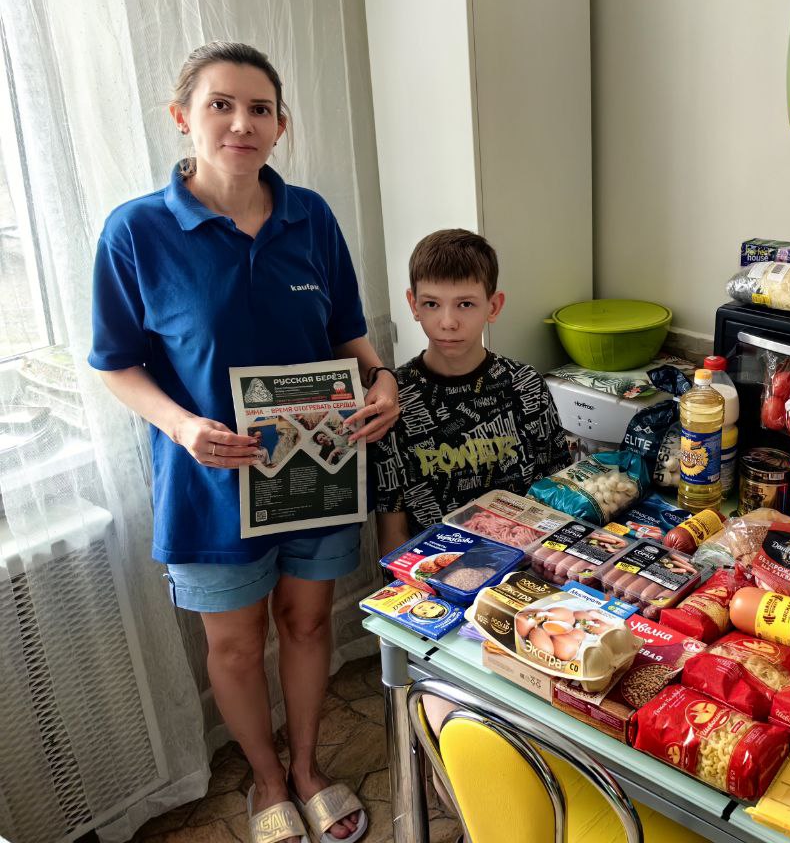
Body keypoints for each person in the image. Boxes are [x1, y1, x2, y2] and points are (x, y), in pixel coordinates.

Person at [90, 42, 397, 843]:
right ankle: (265, 779)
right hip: (208, 482)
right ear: (181, 117)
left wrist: (381, 379)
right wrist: (183, 425)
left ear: (280, 125)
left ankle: (308, 767)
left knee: (308, 623)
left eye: (259, 108)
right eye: (220, 105)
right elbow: (115, 364)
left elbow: (347, 332)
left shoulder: (311, 217)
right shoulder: (136, 232)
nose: (241, 123)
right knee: (233, 646)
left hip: (316, 468)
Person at [372, 228, 570, 555]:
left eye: (465, 304)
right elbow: (392, 530)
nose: (448, 322)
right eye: (432, 303)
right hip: (432, 570)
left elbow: (558, 498)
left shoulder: (526, 384)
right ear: (413, 304)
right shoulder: (394, 400)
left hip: (525, 565)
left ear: (493, 306)